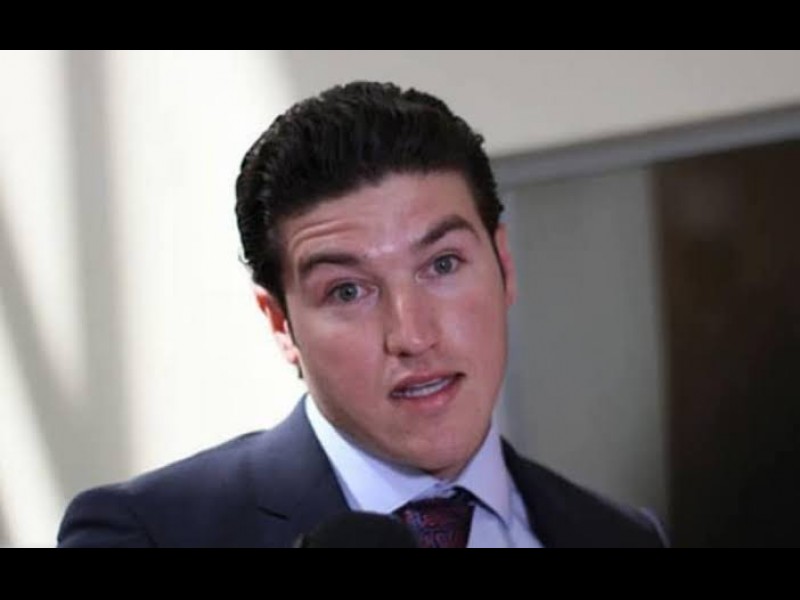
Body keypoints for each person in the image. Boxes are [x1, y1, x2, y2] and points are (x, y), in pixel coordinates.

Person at [58, 81, 667, 548]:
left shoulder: (622, 537)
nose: (413, 335)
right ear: (281, 324)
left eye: (443, 265)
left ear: (503, 265)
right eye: (348, 291)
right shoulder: (150, 534)